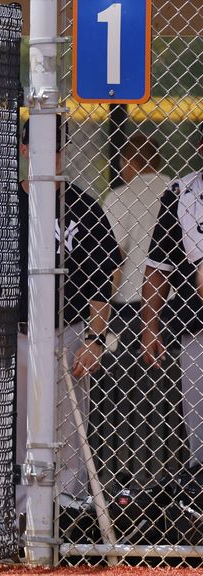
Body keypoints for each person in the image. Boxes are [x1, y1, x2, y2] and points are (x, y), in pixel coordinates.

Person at [0, 115, 121, 550]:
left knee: (68, 437)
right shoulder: (1, 207)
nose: (45, 157)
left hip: (66, 331)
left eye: (54, 149)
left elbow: (100, 286)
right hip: (10, 335)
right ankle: (16, 527)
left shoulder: (84, 207)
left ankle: (64, 521)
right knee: (11, 432)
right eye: (35, 148)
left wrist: (94, 340)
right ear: (20, 150)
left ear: (63, 152)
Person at [100, 134, 171, 476]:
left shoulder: (121, 196)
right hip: (176, 308)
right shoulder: (178, 191)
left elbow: (112, 259)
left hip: (129, 309)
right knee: (171, 398)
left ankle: (131, 474)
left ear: (128, 163)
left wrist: (98, 318)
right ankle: (170, 474)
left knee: (130, 400)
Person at [143, 122, 203, 470]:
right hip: (195, 324)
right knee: (197, 426)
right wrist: (150, 325)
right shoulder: (181, 190)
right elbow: (157, 265)